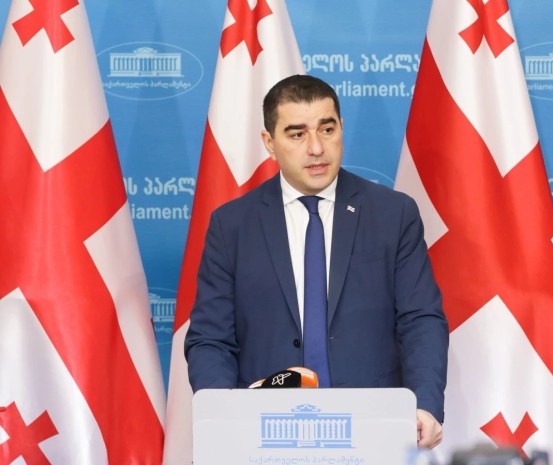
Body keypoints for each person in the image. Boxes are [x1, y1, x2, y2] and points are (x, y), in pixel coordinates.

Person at [184, 74, 448, 448]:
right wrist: (224, 419)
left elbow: (420, 319)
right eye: (297, 134)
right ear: (269, 143)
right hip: (266, 435)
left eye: (327, 129)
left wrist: (425, 404)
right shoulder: (232, 225)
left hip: (373, 428)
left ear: (341, 128)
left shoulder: (393, 214)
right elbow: (211, 338)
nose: (316, 148)